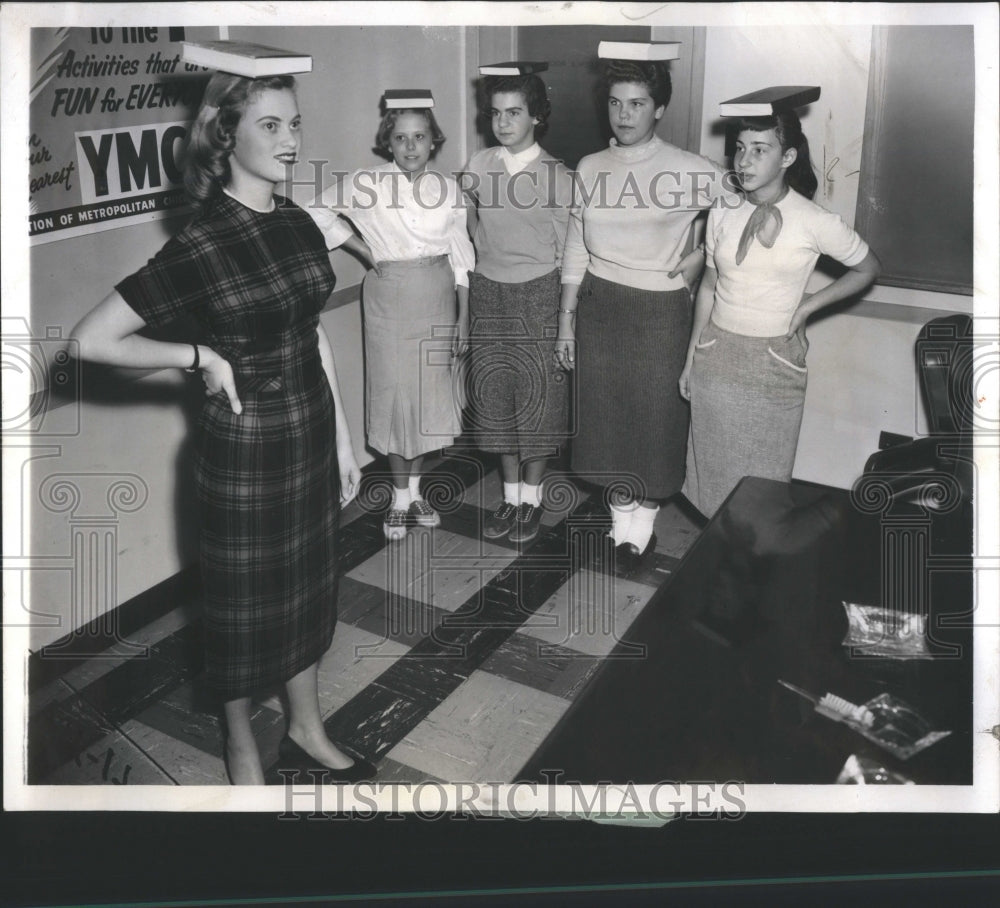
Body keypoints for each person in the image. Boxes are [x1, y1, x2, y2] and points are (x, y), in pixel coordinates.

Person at [70, 71, 376, 785]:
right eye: (271, 126)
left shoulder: (298, 222)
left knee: (308, 588)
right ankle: (241, 742)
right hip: (241, 451)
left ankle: (305, 727)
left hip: (308, 434)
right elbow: (90, 340)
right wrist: (198, 356)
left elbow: (312, 337)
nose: (292, 141)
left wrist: (343, 443)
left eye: (295, 124)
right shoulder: (202, 242)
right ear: (225, 134)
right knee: (242, 610)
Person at [556, 45, 734, 562]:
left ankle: (643, 523)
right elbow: (575, 246)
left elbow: (744, 205)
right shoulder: (590, 167)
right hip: (599, 305)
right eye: (616, 103)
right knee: (606, 420)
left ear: (658, 108)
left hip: (660, 311)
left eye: (637, 103)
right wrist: (566, 321)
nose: (625, 114)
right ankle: (621, 522)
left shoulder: (686, 167)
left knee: (655, 420)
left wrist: (701, 253)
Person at [679, 100, 881, 518]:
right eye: (739, 147)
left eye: (760, 149)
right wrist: (691, 359)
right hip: (716, 356)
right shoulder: (722, 210)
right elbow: (709, 287)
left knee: (763, 489)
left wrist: (808, 306)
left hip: (773, 363)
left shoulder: (814, 220)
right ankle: (719, 573)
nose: (744, 160)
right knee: (711, 481)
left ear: (787, 156)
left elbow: (866, 267)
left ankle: (753, 576)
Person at [307, 93, 474, 541]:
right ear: (389, 142)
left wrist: (462, 318)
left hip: (438, 295)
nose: (411, 146)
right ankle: (399, 500)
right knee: (395, 396)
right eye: (401, 138)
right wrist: (362, 248)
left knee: (424, 399)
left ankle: (416, 493)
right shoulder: (367, 183)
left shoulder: (449, 190)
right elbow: (316, 212)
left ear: (433, 141)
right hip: (388, 299)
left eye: (420, 137)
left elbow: (461, 257)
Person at [461, 65, 574, 544]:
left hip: (540, 293)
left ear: (536, 117)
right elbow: (468, 230)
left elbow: (571, 249)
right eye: (495, 113)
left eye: (514, 113)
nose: (503, 122)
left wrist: (567, 317)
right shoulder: (478, 166)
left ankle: (531, 500)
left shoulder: (557, 175)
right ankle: (509, 498)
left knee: (538, 402)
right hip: (489, 291)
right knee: (497, 399)